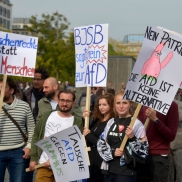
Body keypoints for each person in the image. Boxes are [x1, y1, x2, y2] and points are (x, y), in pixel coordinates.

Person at [29, 90, 83, 181]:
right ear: (58, 100)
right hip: (44, 165)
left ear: (73, 103)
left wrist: (56, 160)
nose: (64, 103)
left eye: (68, 101)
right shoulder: (47, 116)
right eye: (62, 100)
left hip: (65, 169)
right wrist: (33, 158)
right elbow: (36, 136)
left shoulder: (77, 122)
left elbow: (75, 147)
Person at [97, 91, 148, 182]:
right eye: (118, 103)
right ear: (114, 105)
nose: (121, 106)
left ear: (130, 104)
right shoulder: (111, 122)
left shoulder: (136, 124)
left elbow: (144, 151)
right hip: (108, 171)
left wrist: (132, 138)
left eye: (124, 103)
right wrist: (112, 153)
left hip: (127, 173)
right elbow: (100, 143)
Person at [0, 77, 35, 182]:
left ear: (12, 90)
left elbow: (32, 128)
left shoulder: (24, 106)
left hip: (18, 152)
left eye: (3, 87)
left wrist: (29, 146)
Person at [137, 100, 179, 182]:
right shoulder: (142, 104)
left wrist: (156, 119)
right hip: (142, 154)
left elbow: (171, 135)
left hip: (159, 156)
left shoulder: (172, 105)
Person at [83, 93, 115, 182]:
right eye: (100, 105)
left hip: (101, 160)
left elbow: (105, 143)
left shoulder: (112, 122)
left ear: (111, 105)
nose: (101, 107)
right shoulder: (97, 120)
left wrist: (89, 136)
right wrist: (85, 119)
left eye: (104, 105)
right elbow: (86, 132)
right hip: (91, 158)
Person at [168, 99, 182, 182]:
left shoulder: (179, 104)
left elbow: (179, 116)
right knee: (169, 170)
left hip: (178, 143)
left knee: (179, 168)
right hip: (166, 142)